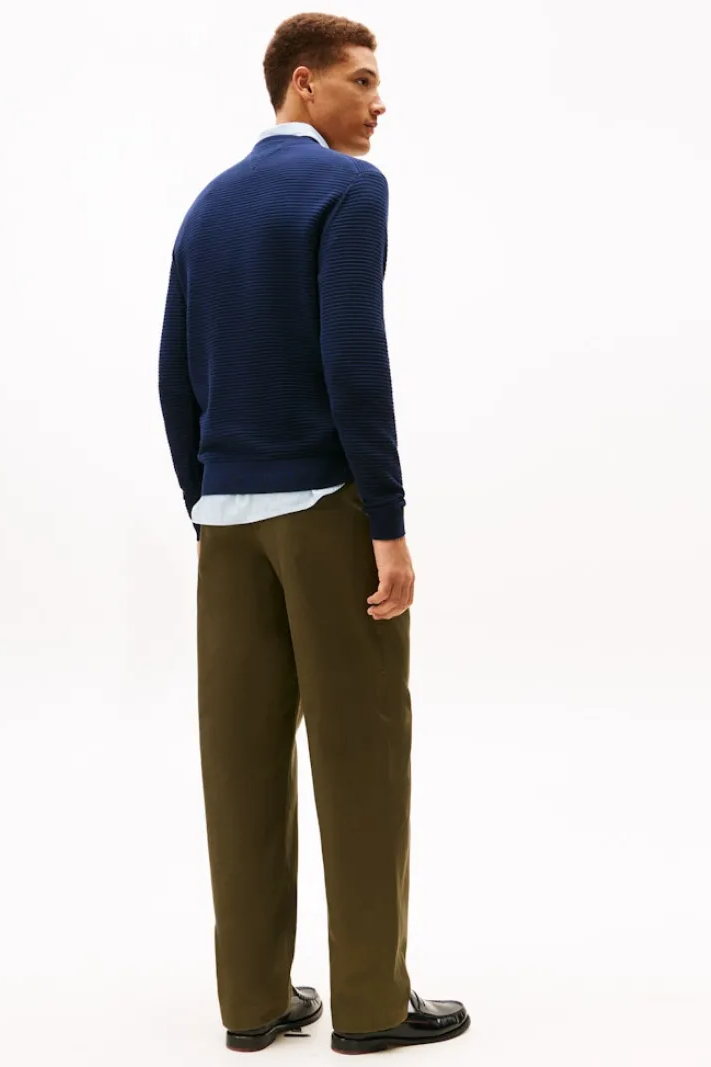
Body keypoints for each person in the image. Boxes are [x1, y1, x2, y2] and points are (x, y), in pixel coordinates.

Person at [157, 11, 471, 1055]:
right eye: (361, 79)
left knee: (238, 760)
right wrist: (387, 521)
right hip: (323, 507)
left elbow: (171, 373)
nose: (379, 102)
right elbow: (354, 360)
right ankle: (372, 1006)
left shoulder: (207, 205)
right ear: (304, 83)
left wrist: (204, 504)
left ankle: (252, 1000)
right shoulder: (347, 188)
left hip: (226, 520)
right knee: (361, 746)